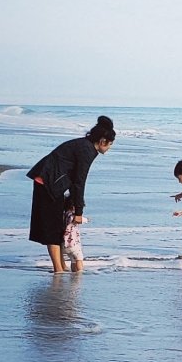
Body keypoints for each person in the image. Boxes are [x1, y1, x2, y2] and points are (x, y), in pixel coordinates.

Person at [27, 115, 115, 273]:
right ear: (102, 141)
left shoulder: (85, 146)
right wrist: (79, 212)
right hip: (47, 182)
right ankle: (58, 270)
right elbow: (79, 182)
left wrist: (75, 203)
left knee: (58, 227)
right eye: (110, 145)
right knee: (52, 228)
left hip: (51, 181)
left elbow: (75, 179)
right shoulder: (87, 150)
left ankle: (62, 267)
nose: (110, 148)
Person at [61, 195, 89, 273]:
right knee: (79, 257)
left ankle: (73, 272)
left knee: (73, 260)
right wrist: (86, 220)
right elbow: (76, 220)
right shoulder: (72, 215)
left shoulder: (64, 214)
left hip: (64, 243)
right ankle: (80, 272)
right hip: (73, 244)